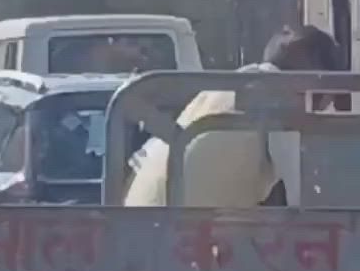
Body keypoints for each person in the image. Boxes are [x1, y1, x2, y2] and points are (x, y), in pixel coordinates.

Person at [122, 24, 341, 207]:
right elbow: (302, 200)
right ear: (315, 80)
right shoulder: (281, 101)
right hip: (181, 239)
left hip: (142, 215)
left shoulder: (232, 85)